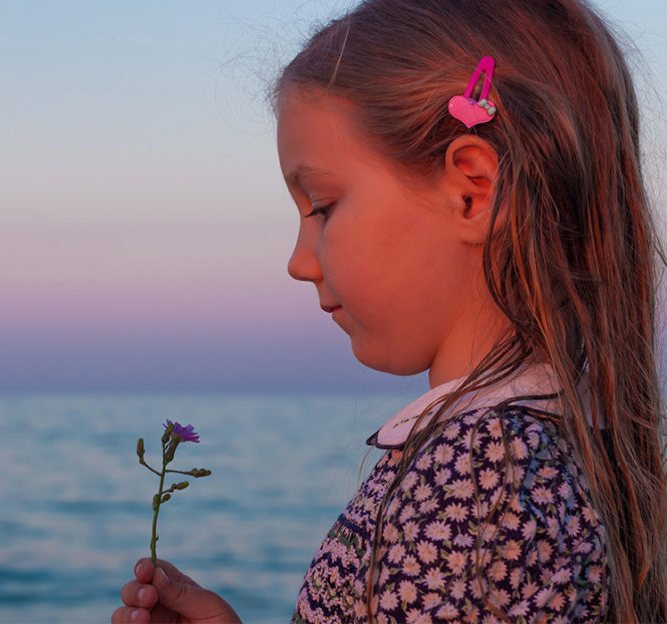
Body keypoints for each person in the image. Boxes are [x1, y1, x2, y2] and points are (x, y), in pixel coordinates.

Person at [112, 0, 667, 621]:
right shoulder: (557, 448)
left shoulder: (475, 480)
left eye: (321, 206)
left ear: (472, 193)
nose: (299, 261)